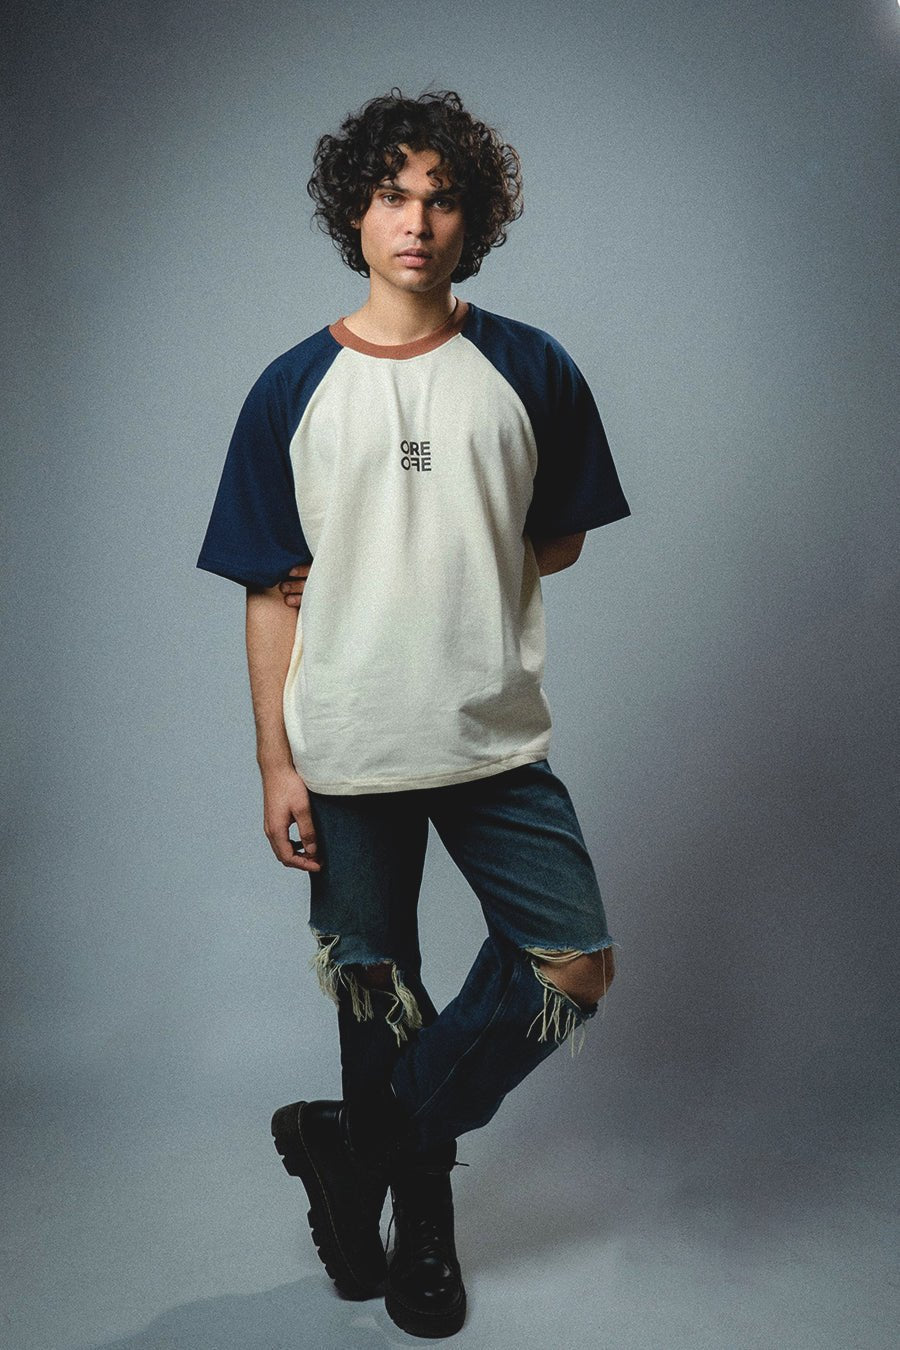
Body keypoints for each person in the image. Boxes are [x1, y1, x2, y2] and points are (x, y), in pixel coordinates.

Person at [197, 88, 630, 1340]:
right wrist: (275, 763)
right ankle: (420, 1232)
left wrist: (433, 554)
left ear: (472, 220)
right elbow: (266, 593)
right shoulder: (292, 388)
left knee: (572, 961)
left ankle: (356, 1143)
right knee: (377, 991)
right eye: (394, 196)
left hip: (491, 734)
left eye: (443, 200)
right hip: (347, 742)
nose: (418, 222)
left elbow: (559, 539)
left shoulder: (531, 366)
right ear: (356, 211)